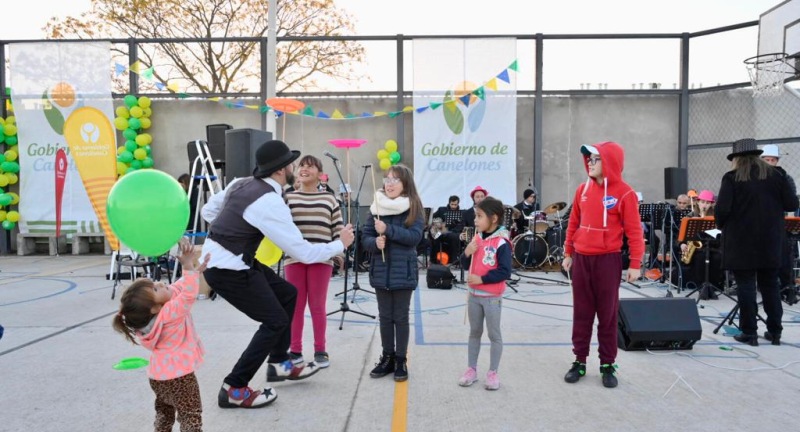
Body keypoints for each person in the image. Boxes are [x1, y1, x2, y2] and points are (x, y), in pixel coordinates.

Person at [200, 139, 355, 408]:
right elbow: (304, 253)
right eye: (292, 163)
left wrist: (233, 228)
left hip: (233, 259)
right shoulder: (269, 201)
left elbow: (208, 211)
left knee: (287, 293)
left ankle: (280, 363)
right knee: (274, 321)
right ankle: (234, 388)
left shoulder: (241, 183)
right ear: (283, 170)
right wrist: (341, 243)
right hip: (227, 269)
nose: (295, 166)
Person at [562, 141, 644, 389]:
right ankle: (579, 360)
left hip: (608, 259)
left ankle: (608, 364)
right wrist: (568, 251)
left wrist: (635, 263)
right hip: (582, 258)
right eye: (588, 159)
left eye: (596, 159)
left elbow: (634, 232)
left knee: (607, 315)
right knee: (582, 313)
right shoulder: (582, 190)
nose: (590, 163)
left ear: (609, 162)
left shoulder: (625, 193)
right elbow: (573, 223)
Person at [112, 238, 210, 431]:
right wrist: (188, 265)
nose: (159, 283)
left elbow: (178, 289)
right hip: (180, 377)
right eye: (155, 288)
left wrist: (194, 271)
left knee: (164, 413)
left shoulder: (148, 321)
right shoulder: (169, 313)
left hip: (158, 377)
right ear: (156, 307)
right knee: (191, 415)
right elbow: (188, 295)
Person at [716, 138, 798, 346]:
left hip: (741, 241)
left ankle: (749, 333)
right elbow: (791, 203)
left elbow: (722, 210)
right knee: (770, 284)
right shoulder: (777, 175)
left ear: (736, 159)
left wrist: (723, 224)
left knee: (746, 286)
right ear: (757, 155)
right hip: (771, 240)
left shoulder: (732, 178)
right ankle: (775, 332)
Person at [361, 164, 425, 382]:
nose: (389, 184)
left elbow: (414, 238)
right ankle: (387, 357)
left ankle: (400, 359)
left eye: (394, 180)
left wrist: (388, 230)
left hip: (403, 272)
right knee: (385, 317)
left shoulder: (414, 206)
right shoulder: (376, 206)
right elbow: (365, 238)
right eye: (387, 179)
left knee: (400, 317)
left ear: (405, 183)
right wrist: (374, 242)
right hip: (381, 271)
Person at [284, 155, 344, 369]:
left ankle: (320, 350)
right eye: (302, 165)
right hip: (294, 259)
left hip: (322, 259)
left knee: (317, 306)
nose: (304, 169)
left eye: (310, 166)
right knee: (296, 306)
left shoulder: (329, 199)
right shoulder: (287, 198)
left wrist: (338, 255)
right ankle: (295, 350)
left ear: (320, 174)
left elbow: (338, 229)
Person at [457, 196, 512, 391]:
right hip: (473, 296)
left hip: (492, 299)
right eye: (475, 216)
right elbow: (464, 264)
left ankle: (492, 372)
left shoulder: (501, 242)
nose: (475, 220)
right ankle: (471, 369)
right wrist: (467, 253)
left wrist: (483, 279)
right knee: (474, 333)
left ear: (493, 218)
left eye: (479, 216)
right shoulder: (476, 237)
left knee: (494, 334)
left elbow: (505, 271)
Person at [760, 144, 800, 304]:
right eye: (767, 160)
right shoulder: (756, 177)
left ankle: (787, 287)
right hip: (758, 223)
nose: (770, 162)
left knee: (784, 254)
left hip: (776, 222)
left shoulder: (785, 177)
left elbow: (792, 202)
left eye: (773, 160)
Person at [430, 195, 465, 265]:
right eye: (452, 204)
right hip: (441, 231)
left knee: (456, 237)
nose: (453, 206)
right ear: (449, 203)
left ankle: (454, 260)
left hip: (453, 232)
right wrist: (438, 224)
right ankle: (434, 259)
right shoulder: (441, 210)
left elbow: (462, 224)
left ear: (458, 204)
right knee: (434, 236)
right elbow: (432, 218)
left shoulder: (462, 212)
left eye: (455, 204)